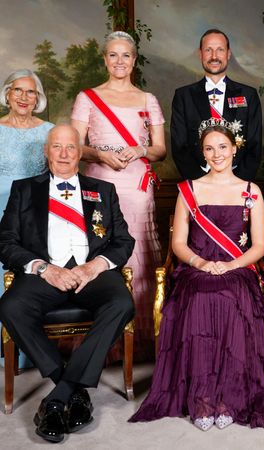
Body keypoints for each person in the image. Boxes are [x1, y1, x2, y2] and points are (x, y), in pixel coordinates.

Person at [130, 119, 264, 430]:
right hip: (197, 269)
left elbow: (260, 246)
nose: (216, 154)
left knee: (230, 297)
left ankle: (229, 397)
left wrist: (231, 265)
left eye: (222, 147)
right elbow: (177, 243)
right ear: (203, 153)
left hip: (239, 268)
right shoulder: (189, 190)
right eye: (209, 148)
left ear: (234, 148)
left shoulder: (250, 190)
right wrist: (201, 264)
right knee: (202, 295)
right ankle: (203, 399)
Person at [0, 124, 135, 442]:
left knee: (122, 302)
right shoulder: (24, 190)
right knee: (10, 306)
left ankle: (58, 396)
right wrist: (43, 268)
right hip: (46, 274)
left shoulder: (102, 190)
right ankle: (71, 389)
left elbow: (123, 241)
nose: (63, 153)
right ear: (46, 152)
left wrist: (94, 267)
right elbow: (5, 242)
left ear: (80, 152)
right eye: (56, 147)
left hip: (92, 274)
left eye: (70, 147)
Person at [71, 31, 166, 361]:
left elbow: (160, 150)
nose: (120, 61)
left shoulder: (148, 99)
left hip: (137, 185)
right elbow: (75, 146)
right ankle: (104, 343)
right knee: (101, 248)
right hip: (99, 183)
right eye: (113, 55)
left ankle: (140, 340)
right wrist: (99, 155)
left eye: (126, 55)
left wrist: (139, 148)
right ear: (105, 59)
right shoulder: (88, 98)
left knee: (137, 252)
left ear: (134, 60)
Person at [0, 69, 54, 368]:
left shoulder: (49, 130)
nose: (23, 97)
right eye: (17, 90)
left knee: (27, 277)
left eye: (30, 92)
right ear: (7, 93)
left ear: (38, 98)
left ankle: (25, 354)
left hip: (33, 216)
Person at [171, 28, 262, 181]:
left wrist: (236, 183)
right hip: (198, 184)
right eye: (208, 50)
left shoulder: (249, 95)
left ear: (228, 54)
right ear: (200, 54)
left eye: (220, 49)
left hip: (238, 184)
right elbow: (179, 147)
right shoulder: (183, 96)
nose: (214, 56)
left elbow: (254, 145)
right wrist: (202, 182)